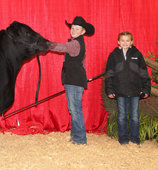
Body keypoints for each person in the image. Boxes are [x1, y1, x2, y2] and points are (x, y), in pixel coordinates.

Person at [49, 16, 95, 145]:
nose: (74, 30)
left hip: (74, 80)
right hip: (73, 80)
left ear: (83, 32)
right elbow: (82, 63)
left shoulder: (75, 44)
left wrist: (45, 44)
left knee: (75, 109)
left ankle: (80, 138)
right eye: (73, 28)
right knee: (73, 108)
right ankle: (76, 136)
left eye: (77, 28)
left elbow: (60, 47)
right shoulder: (78, 43)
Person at [105, 32, 150, 145]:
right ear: (118, 42)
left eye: (127, 40)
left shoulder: (137, 55)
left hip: (135, 91)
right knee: (122, 115)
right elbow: (109, 74)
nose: (125, 43)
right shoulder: (113, 55)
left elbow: (144, 73)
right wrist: (109, 90)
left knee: (134, 115)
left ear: (131, 42)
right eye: (123, 40)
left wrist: (146, 89)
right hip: (120, 91)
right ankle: (123, 139)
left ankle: (135, 139)